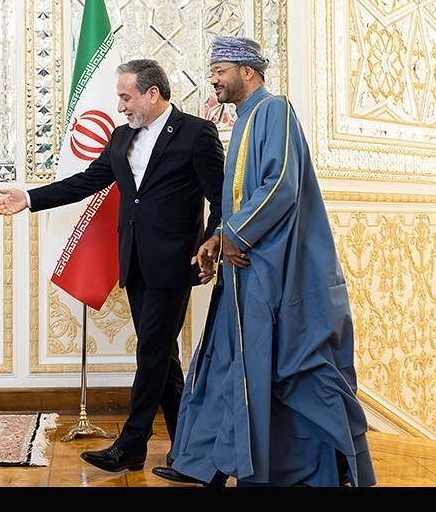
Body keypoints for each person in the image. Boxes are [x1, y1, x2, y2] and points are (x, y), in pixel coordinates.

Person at [151, 37, 377, 487]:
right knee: (226, 361)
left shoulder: (274, 111)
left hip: (275, 270)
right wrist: (218, 238)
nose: (212, 78)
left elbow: (280, 187)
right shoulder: (242, 123)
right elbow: (237, 199)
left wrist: (233, 235)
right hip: (245, 267)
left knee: (284, 367)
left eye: (219, 69)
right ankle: (204, 465)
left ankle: (322, 468)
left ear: (247, 72)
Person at [0, 59, 224, 473]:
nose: (119, 106)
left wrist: (212, 242)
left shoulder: (196, 133)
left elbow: (220, 196)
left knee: (151, 352)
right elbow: (86, 181)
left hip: (174, 263)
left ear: (152, 93)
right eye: (118, 97)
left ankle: (132, 445)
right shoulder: (120, 138)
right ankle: (191, 450)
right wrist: (28, 198)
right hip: (133, 260)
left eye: (125, 97)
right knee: (163, 357)